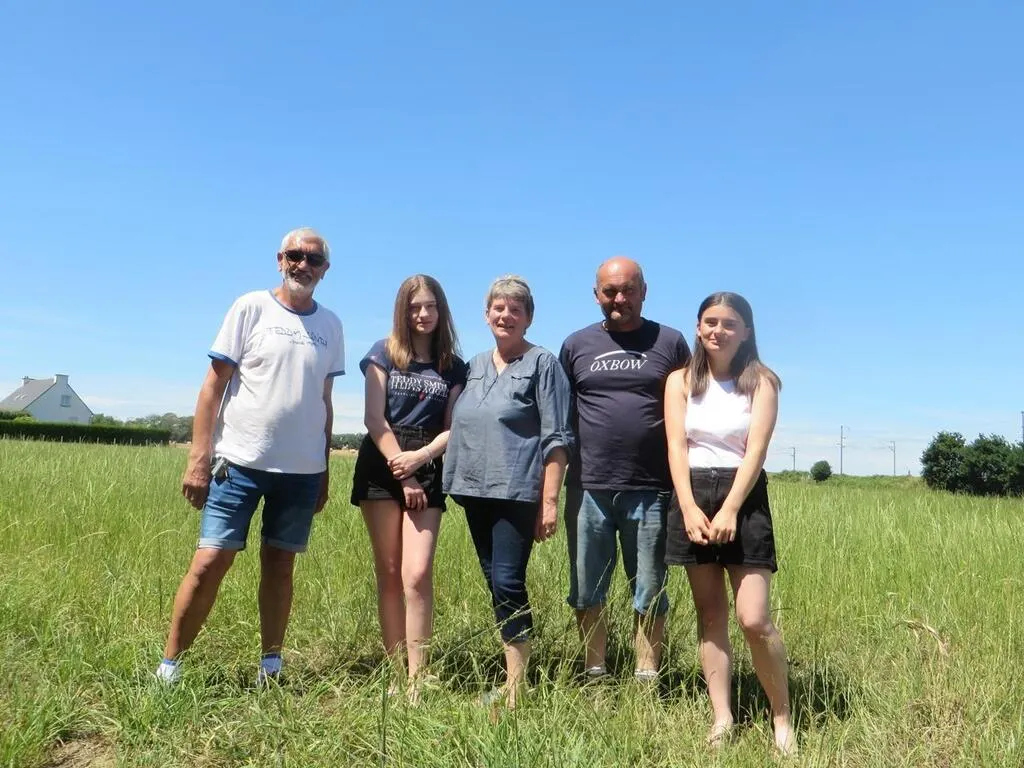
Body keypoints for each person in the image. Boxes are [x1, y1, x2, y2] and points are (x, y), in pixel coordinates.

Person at [156, 227, 344, 685]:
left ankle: (271, 665)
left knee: (280, 566)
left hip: (301, 472)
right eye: (295, 256)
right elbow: (211, 388)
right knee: (209, 562)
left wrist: (323, 471)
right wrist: (199, 457)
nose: (303, 265)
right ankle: (170, 665)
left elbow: (325, 400)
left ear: (325, 270)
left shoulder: (331, 325)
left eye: (314, 259)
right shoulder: (250, 307)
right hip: (237, 464)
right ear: (280, 259)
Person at [663, 291, 795, 755]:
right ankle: (723, 717)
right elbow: (677, 447)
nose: (718, 330)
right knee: (711, 614)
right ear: (698, 327)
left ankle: (781, 716)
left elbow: (756, 451)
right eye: (710, 321)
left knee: (753, 618)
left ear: (747, 331)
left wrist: (731, 508)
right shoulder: (680, 381)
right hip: (693, 495)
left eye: (729, 323)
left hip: (744, 496)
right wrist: (689, 507)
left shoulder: (762, 381)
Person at [443, 275, 573, 708]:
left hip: (516, 492)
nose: (506, 315)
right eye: (498, 308)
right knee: (495, 584)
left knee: (508, 582)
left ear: (528, 317)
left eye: (515, 310)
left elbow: (557, 438)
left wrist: (549, 502)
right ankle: (511, 675)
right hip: (473, 490)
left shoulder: (542, 364)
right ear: (486, 315)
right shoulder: (475, 365)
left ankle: (517, 690)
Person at [559, 256, 690, 682]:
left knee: (650, 590)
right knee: (586, 589)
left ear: (644, 291)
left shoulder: (670, 343)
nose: (620, 299)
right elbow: (561, 416)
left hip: (651, 487)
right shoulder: (576, 345)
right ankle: (594, 672)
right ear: (596, 294)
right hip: (588, 485)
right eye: (610, 291)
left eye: (628, 289)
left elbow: (688, 409)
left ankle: (646, 678)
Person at [351, 275, 466, 699]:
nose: (423, 314)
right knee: (390, 571)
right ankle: (394, 672)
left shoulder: (454, 366)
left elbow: (453, 429)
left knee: (416, 575)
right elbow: (373, 419)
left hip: (427, 460)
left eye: (431, 306)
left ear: (442, 310)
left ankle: (419, 676)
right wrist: (403, 468)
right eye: (415, 307)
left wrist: (419, 461)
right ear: (403, 310)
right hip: (382, 461)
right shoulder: (382, 353)